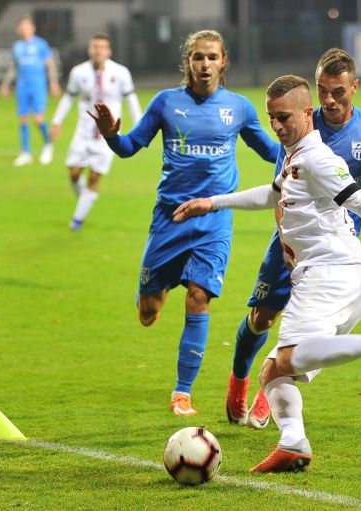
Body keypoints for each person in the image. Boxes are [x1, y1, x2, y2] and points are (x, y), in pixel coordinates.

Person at [173, 74, 361, 472]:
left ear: (307, 113)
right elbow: (273, 194)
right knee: (274, 371)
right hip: (336, 279)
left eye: (284, 117)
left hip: (329, 275)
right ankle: (293, 443)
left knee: (289, 356)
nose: (276, 126)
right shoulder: (296, 156)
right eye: (271, 118)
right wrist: (212, 202)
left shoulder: (318, 159)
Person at [89, 29, 279, 416]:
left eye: (212, 57)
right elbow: (129, 147)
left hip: (213, 220)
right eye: (198, 57)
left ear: (223, 62)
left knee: (199, 297)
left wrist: (307, 152)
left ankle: (182, 391)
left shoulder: (239, 108)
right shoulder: (166, 102)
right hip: (169, 219)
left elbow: (271, 151)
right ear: (188, 62)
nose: (205, 64)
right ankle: (151, 299)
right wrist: (111, 135)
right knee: (148, 308)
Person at [223, 48, 361, 429]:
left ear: (355, 88)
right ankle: (239, 380)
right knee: (261, 318)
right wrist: (285, 241)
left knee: (309, 330)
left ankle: (269, 392)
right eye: (323, 90)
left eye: (338, 91)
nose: (329, 100)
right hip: (292, 240)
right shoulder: (300, 122)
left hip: (337, 251)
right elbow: (280, 190)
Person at [50, 33, 142, 231]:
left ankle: (77, 220)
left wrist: (139, 124)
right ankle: (86, 199)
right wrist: (57, 121)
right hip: (83, 132)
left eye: (102, 47)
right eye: (95, 47)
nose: (98, 51)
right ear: (90, 49)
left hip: (107, 135)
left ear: (109, 51)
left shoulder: (120, 72)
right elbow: (69, 97)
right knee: (74, 173)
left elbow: (131, 99)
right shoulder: (78, 72)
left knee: (94, 176)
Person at [0, 15, 61, 167]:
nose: (24, 29)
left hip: (38, 85)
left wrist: (53, 82)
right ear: (18, 29)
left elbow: (50, 64)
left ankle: (48, 144)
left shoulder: (41, 44)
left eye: (27, 26)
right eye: (22, 26)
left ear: (33, 28)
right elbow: (14, 67)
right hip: (22, 86)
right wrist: (6, 84)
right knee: (23, 119)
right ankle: (26, 153)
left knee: (38, 118)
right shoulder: (17, 47)